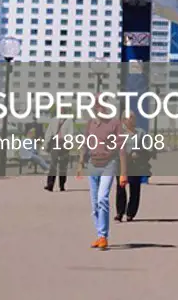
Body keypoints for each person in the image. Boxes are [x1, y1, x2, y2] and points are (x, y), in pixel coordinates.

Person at [77, 102, 128, 251]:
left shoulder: (115, 124)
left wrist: (123, 173)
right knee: (94, 205)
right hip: (93, 165)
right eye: (95, 106)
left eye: (101, 106)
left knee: (102, 198)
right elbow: (85, 144)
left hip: (109, 164)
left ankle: (103, 236)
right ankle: (99, 235)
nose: (99, 109)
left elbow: (121, 147)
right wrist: (80, 163)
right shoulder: (90, 124)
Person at [116, 112, 146, 220]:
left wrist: (139, 153)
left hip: (135, 164)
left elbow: (146, 148)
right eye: (129, 118)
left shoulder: (141, 133)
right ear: (123, 120)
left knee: (135, 189)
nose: (132, 120)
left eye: (133, 118)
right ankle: (120, 212)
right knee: (120, 188)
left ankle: (130, 213)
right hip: (122, 163)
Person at [43, 113, 75, 192]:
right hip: (55, 142)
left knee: (63, 165)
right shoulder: (53, 120)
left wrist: (68, 143)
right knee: (53, 164)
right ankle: (50, 185)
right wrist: (46, 143)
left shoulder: (69, 120)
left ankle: (62, 185)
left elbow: (71, 133)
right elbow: (49, 132)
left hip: (64, 142)